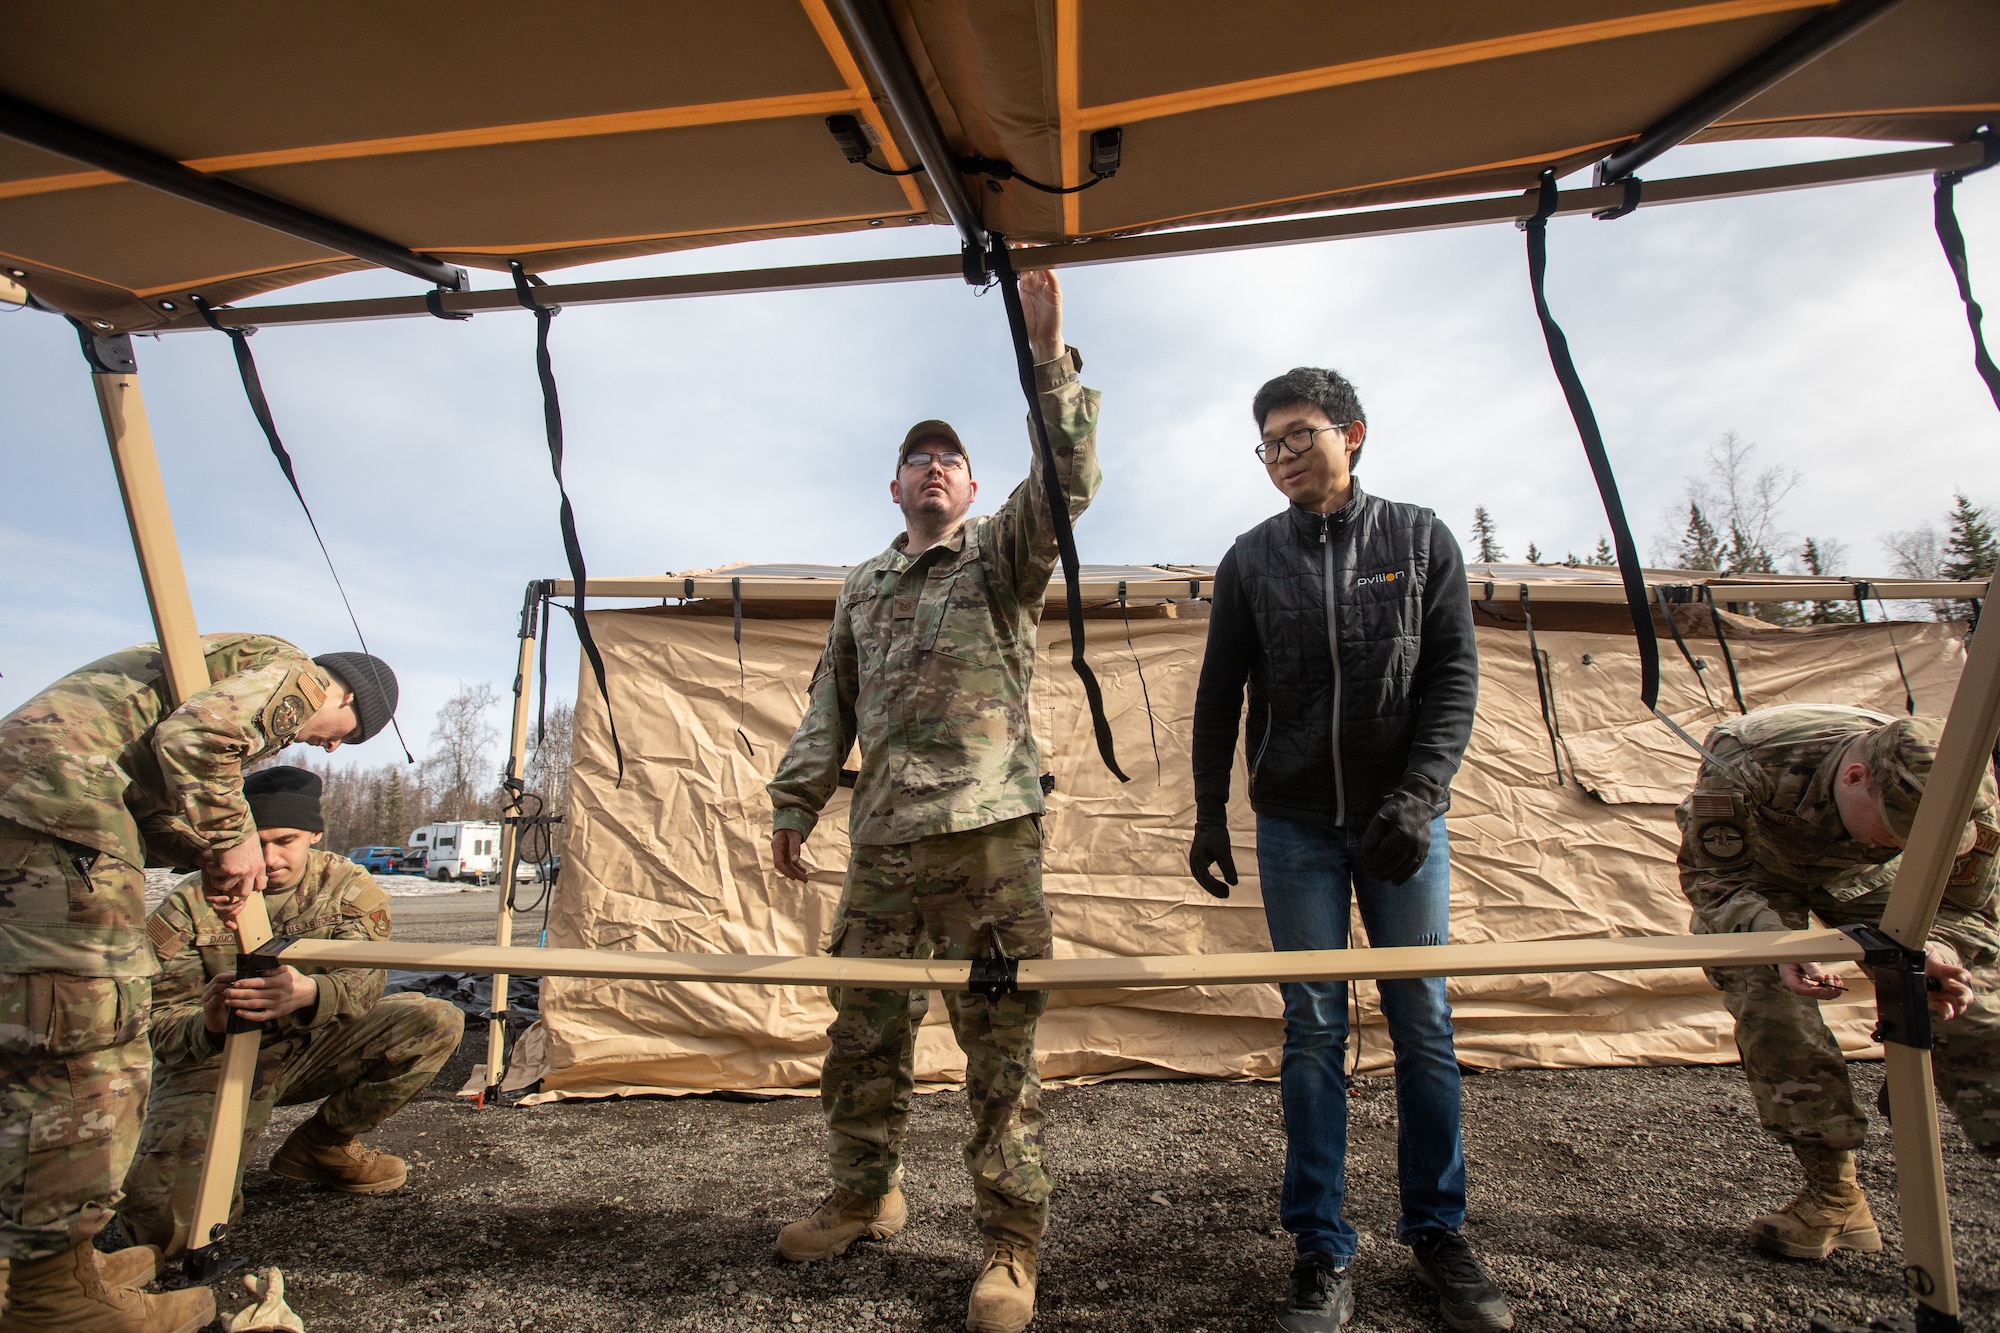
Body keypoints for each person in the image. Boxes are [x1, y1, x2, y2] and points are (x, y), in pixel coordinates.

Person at [764, 268, 1093, 1333]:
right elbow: (831, 704)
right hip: (883, 848)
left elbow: (1067, 484)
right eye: (918, 460)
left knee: (998, 1052)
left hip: (990, 845)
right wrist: (794, 803)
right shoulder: (861, 586)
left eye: (950, 459)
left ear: (969, 483)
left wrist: (1047, 359)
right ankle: (863, 1195)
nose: (934, 469)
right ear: (893, 487)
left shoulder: (1000, 555)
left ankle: (1008, 1243)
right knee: (862, 1036)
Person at [1189, 368, 1507, 1333]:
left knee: (1424, 1021)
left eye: (1299, 436)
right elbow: (1219, 693)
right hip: (1293, 827)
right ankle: (1322, 1245)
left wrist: (1421, 796)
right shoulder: (1250, 559)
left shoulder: (1417, 539)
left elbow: (1453, 675)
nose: (1283, 458)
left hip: (1401, 825)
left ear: (1352, 434)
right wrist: (1210, 812)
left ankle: (1439, 1230)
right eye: (1269, 446)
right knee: (1315, 1028)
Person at [0, 638, 395, 1332]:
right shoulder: (296, 674)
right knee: (81, 1049)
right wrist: (228, 833)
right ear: (346, 696)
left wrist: (205, 847)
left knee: (44, 1036)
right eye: (351, 734)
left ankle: (58, 1265)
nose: (334, 749)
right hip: (64, 832)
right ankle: (48, 1293)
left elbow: (149, 778)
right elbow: (198, 737)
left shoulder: (344, 881)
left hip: (53, 817)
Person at [1678, 704, 1999, 1259]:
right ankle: (1834, 1199)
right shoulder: (1744, 763)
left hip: (1876, 884)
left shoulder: (1968, 794)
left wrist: (1936, 952)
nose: (1896, 842)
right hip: (1760, 875)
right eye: (1893, 830)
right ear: (1854, 778)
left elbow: (1973, 911)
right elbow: (1716, 879)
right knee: (1769, 999)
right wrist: (1779, 948)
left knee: (1971, 1000)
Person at [119, 765, 463, 1255]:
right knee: (166, 1232)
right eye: (255, 841)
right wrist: (208, 1024)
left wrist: (309, 993)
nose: (269, 857)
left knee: (433, 1020)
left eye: (286, 839)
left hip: (310, 1044)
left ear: (315, 834)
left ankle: (321, 1146)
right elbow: (150, 1022)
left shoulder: (346, 887)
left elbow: (365, 982)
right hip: (214, 1063)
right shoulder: (192, 903)